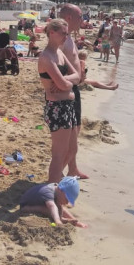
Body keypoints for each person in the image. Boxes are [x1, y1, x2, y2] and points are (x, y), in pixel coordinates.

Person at [38, 18, 81, 183]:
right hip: (57, 107)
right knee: (59, 153)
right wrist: (66, 83)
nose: (66, 37)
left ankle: (54, 181)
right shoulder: (46, 57)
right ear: (52, 33)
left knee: (72, 150)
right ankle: (52, 186)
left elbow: (77, 76)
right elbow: (64, 85)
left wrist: (64, 81)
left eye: (67, 34)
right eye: (63, 33)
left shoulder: (60, 53)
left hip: (68, 106)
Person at [58, 4, 89, 180]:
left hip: (73, 88)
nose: (82, 20)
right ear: (69, 18)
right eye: (80, 16)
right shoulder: (61, 39)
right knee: (72, 134)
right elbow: (54, 64)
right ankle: (56, 176)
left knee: (75, 129)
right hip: (67, 90)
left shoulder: (68, 36)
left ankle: (73, 168)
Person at [19, 176, 87, 228]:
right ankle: (60, 219)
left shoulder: (57, 189)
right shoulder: (48, 192)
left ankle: (65, 219)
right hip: (26, 205)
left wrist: (75, 221)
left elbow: (60, 208)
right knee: (48, 209)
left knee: (60, 207)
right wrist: (57, 221)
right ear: (61, 190)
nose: (67, 203)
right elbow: (52, 206)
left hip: (41, 202)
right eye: (67, 199)